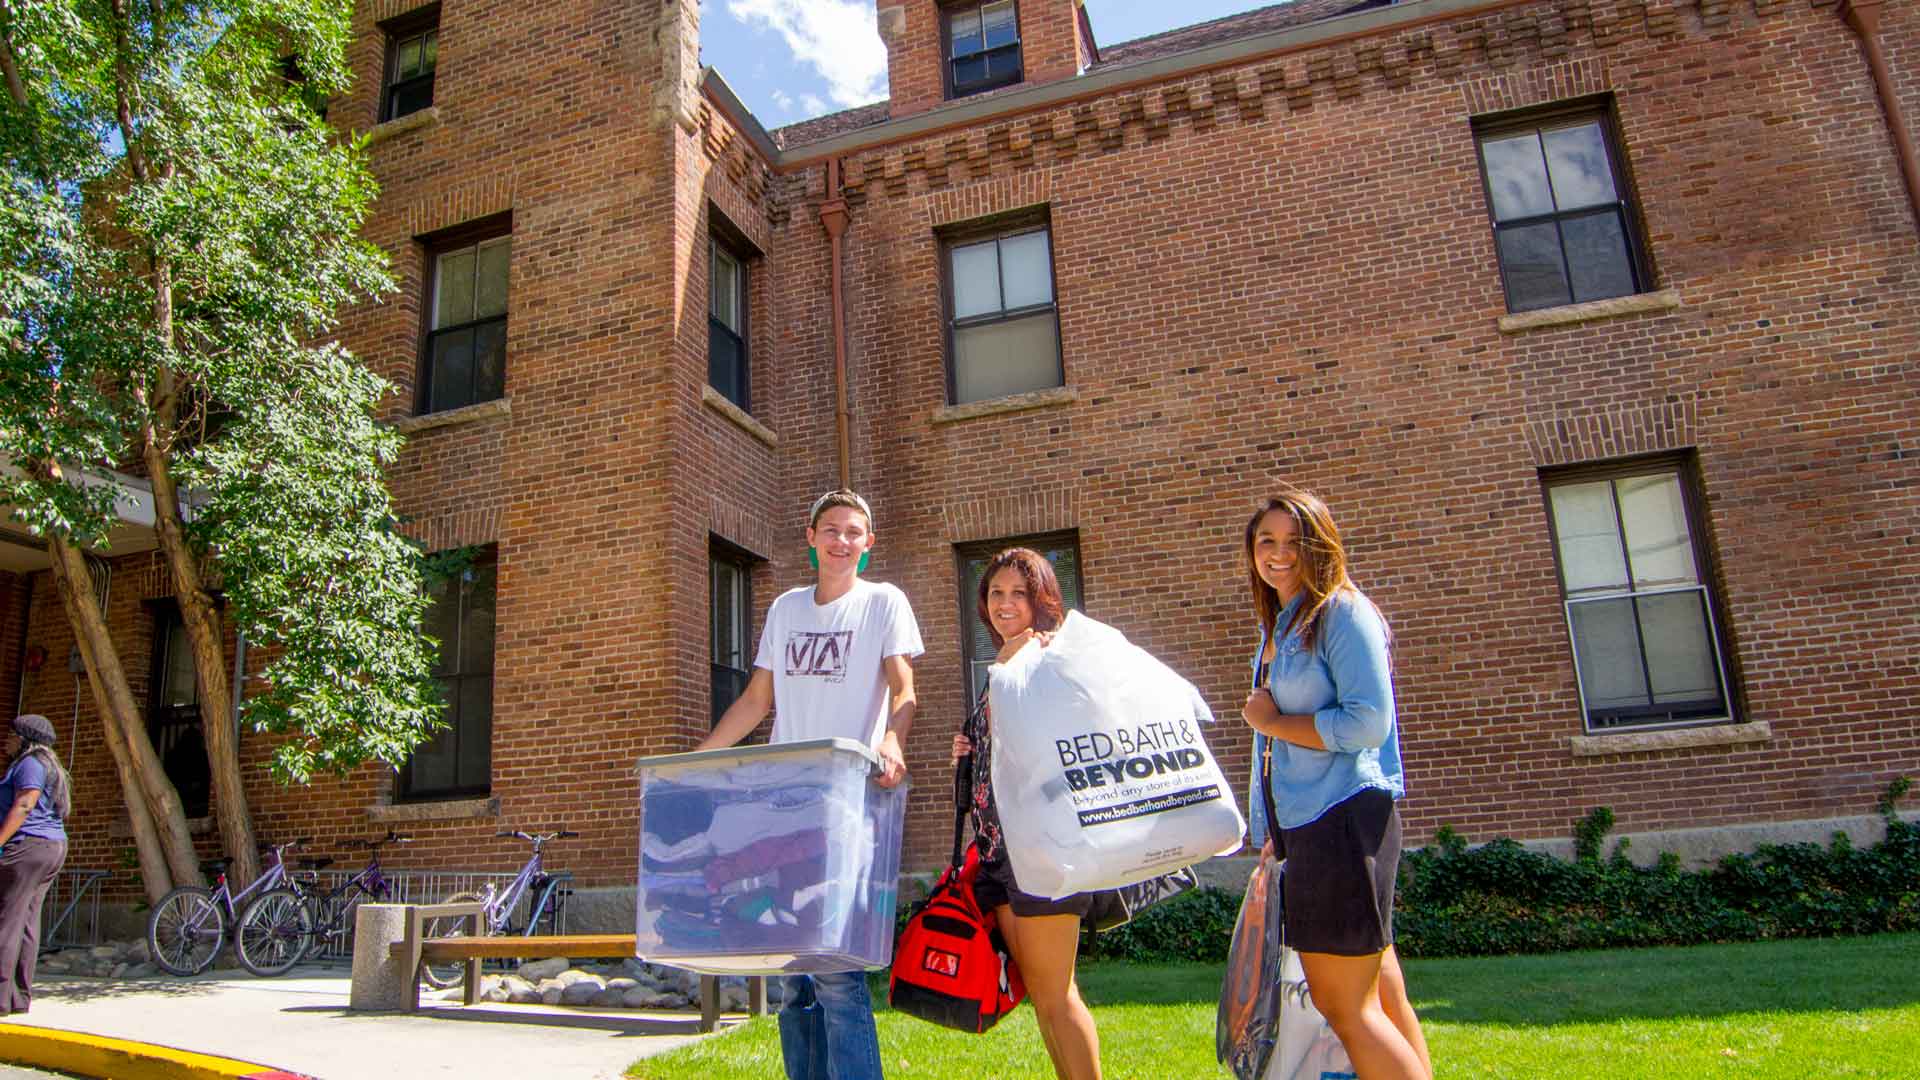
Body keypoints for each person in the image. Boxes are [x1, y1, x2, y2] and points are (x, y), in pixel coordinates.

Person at [698, 489, 922, 1080]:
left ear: (867, 543)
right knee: (793, 980)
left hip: (846, 805)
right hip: (783, 805)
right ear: (811, 536)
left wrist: (893, 739)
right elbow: (755, 701)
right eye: (831, 529)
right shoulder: (785, 610)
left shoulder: (883, 603)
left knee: (836, 973)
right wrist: (700, 759)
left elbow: (904, 689)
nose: (841, 540)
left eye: (853, 531)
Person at [1239, 489, 1431, 1080]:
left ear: (1319, 546)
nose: (1278, 554)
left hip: (1343, 822)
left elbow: (1368, 722)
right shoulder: (1283, 626)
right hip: (1307, 827)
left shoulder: (1342, 613)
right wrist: (1272, 828)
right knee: (1382, 994)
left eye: (1293, 542)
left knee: (1345, 1005)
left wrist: (1274, 721)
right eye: (1266, 541)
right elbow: (1272, 752)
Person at [949, 547, 1103, 1080]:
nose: (1006, 603)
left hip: (1043, 849)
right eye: (996, 593)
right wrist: (972, 746)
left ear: (1042, 601)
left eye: (1020, 593)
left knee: (1058, 994)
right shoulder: (1002, 664)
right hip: (999, 853)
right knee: (1043, 995)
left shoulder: (1048, 657)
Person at [1, 713, 71, 1017]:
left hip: (27, 847)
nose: (6, 739)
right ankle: (18, 997)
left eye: (11, 734)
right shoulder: (49, 764)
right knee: (27, 922)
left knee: (7, 920)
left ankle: (1, 998)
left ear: (25, 739)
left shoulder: (30, 763)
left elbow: (26, 802)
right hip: (51, 847)